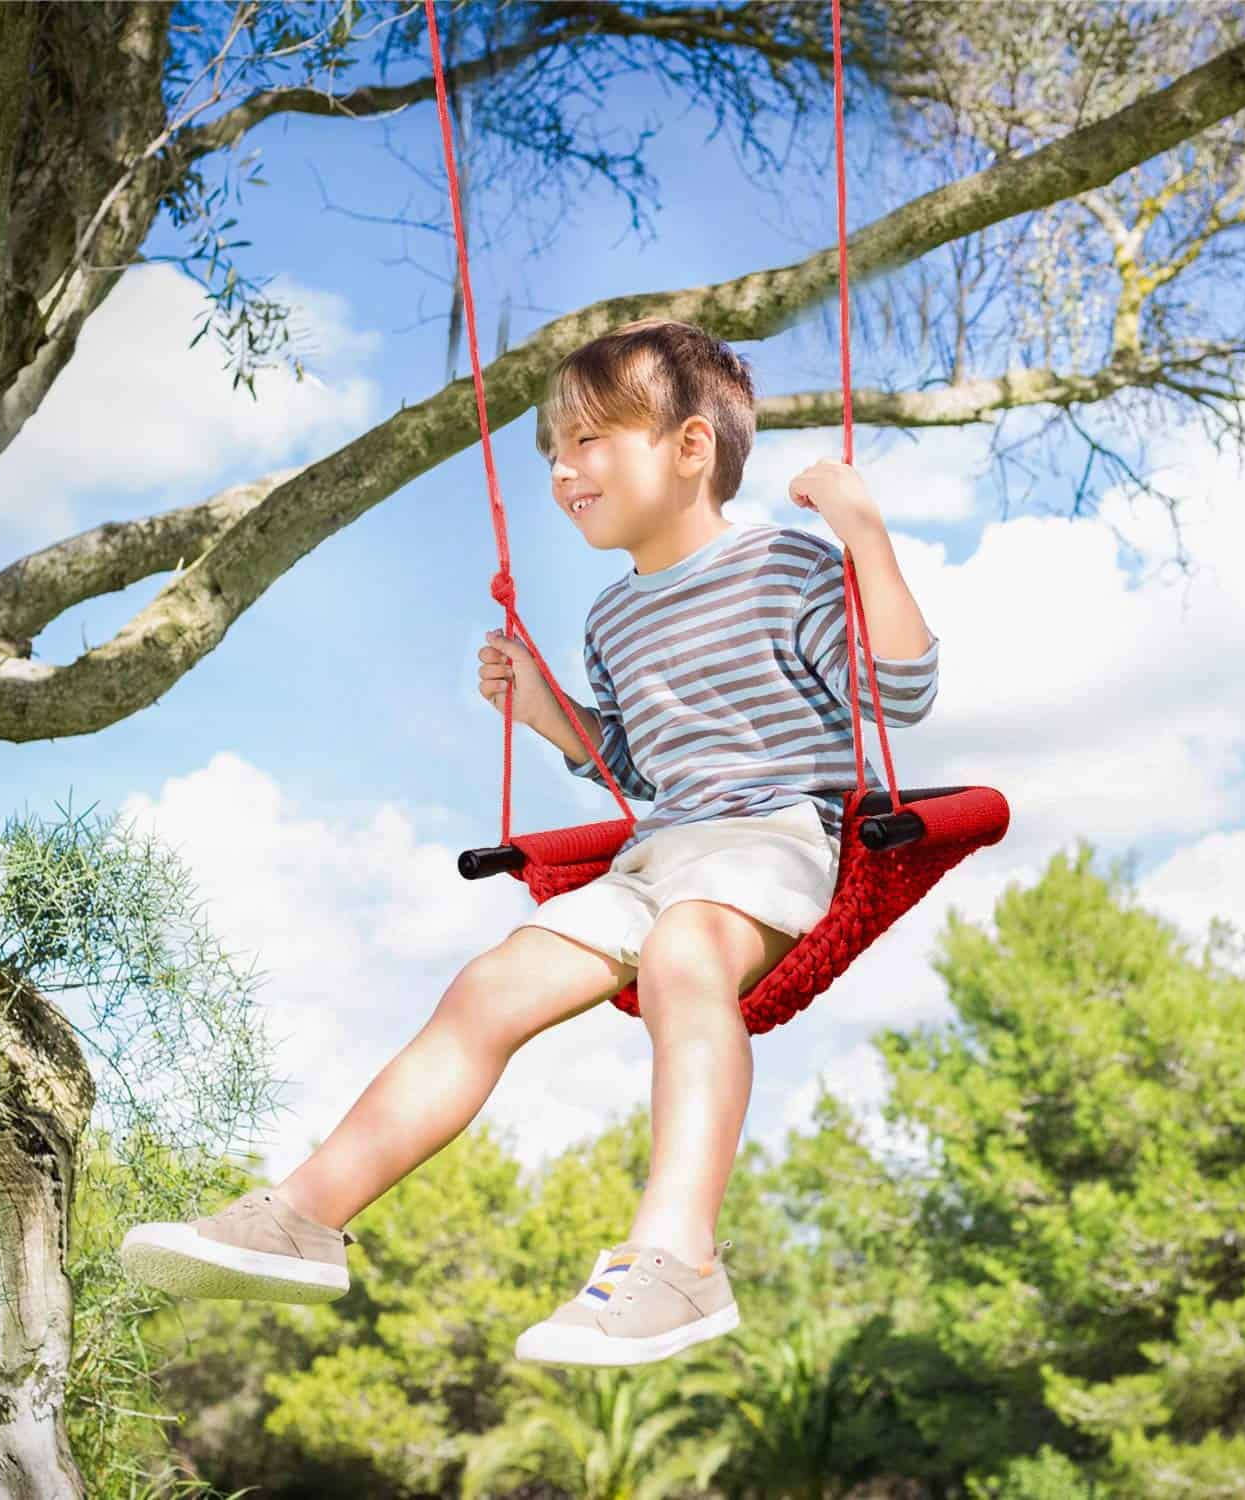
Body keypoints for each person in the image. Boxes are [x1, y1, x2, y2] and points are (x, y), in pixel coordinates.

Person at [121, 317, 940, 1368]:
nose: (562, 466)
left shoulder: (786, 565)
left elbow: (898, 693)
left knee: (686, 953)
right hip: (661, 852)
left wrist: (865, 536)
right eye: (555, 447)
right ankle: (305, 1217)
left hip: (776, 841)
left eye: (591, 438)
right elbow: (643, 773)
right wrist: (553, 717)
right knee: (490, 985)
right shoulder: (613, 620)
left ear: (692, 448)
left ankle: (679, 1259)